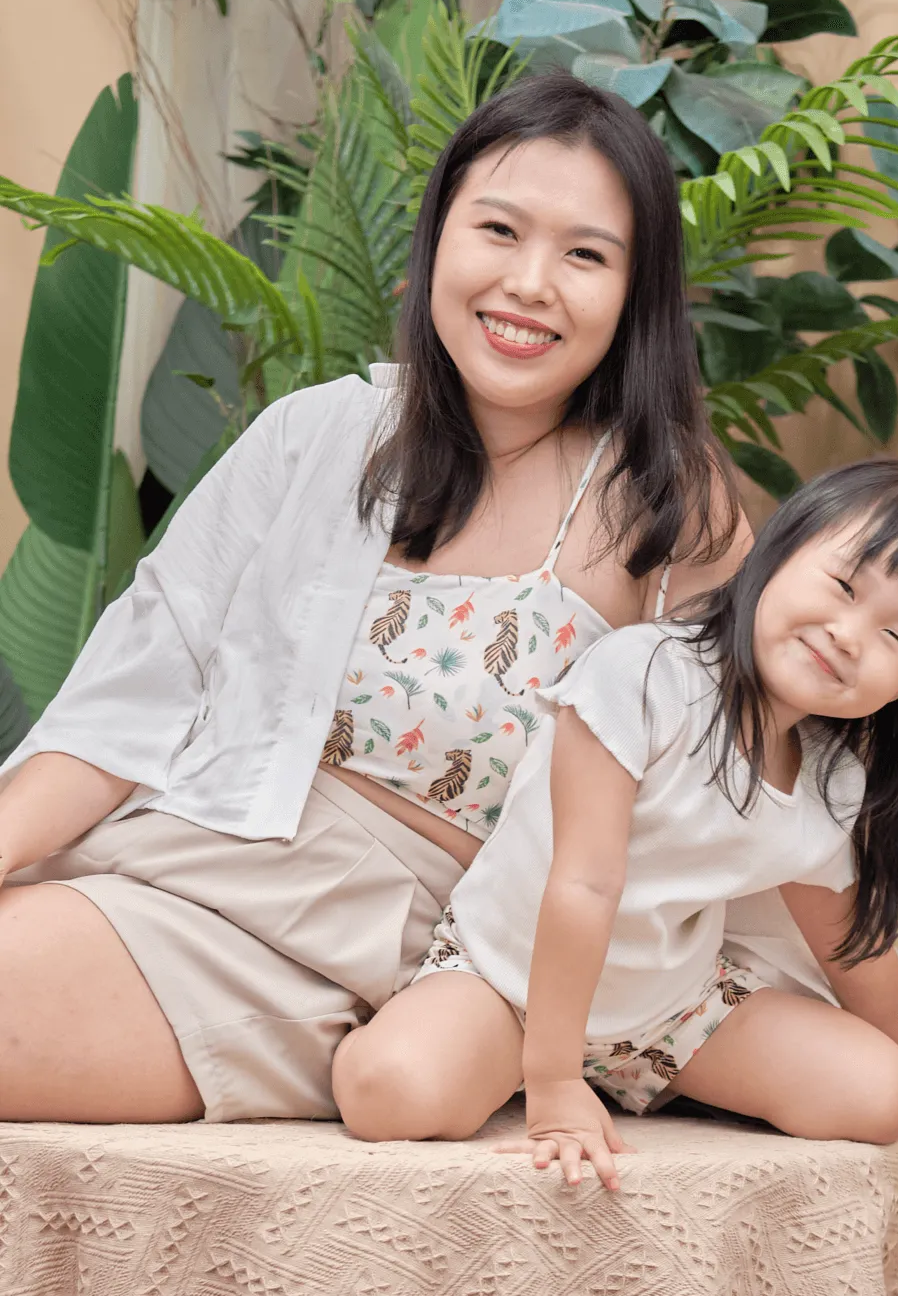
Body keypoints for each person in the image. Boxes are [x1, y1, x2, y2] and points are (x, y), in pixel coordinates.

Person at [0, 73, 749, 1125]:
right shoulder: (317, 432)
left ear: (638, 294)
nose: (529, 282)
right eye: (498, 229)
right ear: (438, 239)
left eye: (585, 254)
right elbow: (137, 693)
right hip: (189, 855)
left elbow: (753, 775)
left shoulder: (668, 500)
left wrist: (875, 1030)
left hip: (390, 946)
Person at [335, 458, 898, 1196]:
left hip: (669, 1012)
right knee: (388, 1093)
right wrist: (555, 1081)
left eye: (896, 637)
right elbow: (586, 885)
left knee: (877, 1094)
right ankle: (451, 1049)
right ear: (779, 552)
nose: (849, 634)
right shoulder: (644, 675)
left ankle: (628, 1080)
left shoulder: (828, 779)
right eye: (845, 587)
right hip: (510, 981)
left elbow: (847, 942)